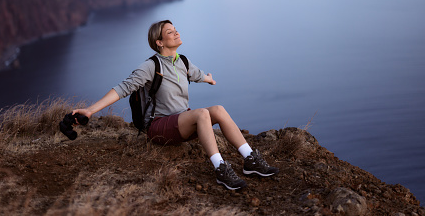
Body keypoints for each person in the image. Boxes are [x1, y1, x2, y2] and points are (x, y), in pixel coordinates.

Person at [73, 20, 279, 190]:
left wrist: (208, 79)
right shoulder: (150, 66)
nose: (176, 33)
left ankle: (250, 160)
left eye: (175, 29)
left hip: (181, 122)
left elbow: (197, 75)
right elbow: (123, 88)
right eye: (170, 32)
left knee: (218, 110)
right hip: (159, 127)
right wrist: (90, 110)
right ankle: (220, 169)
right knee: (201, 114)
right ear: (159, 42)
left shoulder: (182, 62)